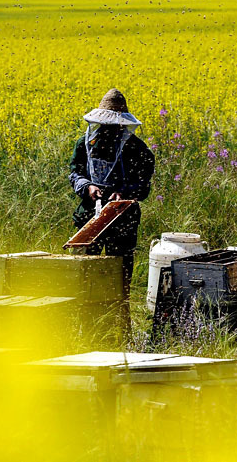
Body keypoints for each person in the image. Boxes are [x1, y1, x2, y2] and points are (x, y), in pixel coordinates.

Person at [69, 88, 155, 310]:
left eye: (114, 125)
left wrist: (124, 194)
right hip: (90, 215)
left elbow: (143, 186)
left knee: (119, 275)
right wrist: (88, 188)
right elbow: (75, 173)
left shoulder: (137, 149)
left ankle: (117, 323)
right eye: (106, 124)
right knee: (86, 272)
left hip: (123, 220)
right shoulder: (85, 144)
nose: (109, 130)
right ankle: (87, 320)